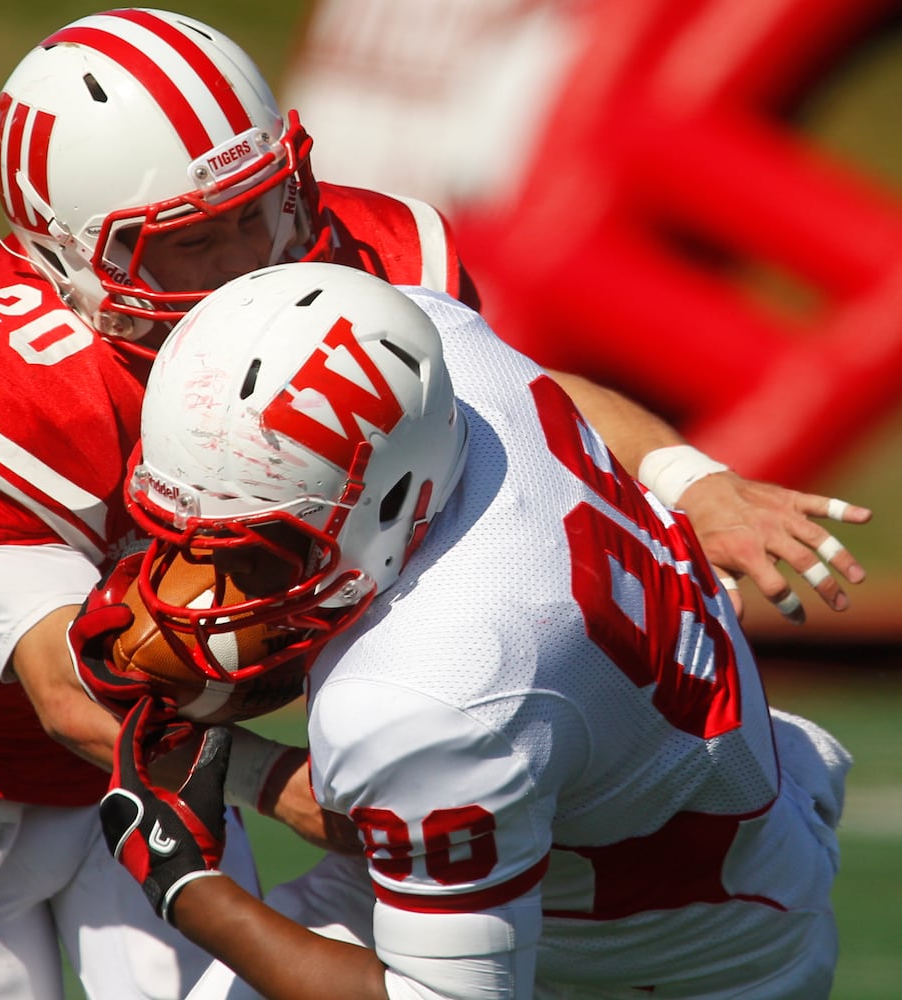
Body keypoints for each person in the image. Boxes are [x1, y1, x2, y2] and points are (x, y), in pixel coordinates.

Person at [0, 7, 865, 999]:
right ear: (65, 258)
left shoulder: (358, 260)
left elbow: (522, 388)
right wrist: (275, 780)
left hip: (178, 737)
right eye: (190, 240)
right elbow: (69, 686)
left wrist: (687, 477)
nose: (251, 260)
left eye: (261, 206)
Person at [96, 260, 853, 999]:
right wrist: (686, 475)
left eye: (255, 552)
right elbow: (551, 392)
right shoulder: (428, 345)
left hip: (654, 956)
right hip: (648, 806)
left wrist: (190, 890)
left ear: (390, 505)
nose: (197, 584)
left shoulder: (440, 680)